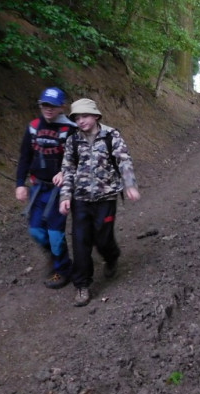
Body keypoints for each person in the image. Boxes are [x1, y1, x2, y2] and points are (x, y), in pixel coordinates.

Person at [59, 98, 140, 307]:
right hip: (80, 199)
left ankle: (111, 257)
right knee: (80, 241)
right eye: (77, 117)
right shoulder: (73, 141)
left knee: (103, 239)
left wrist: (130, 185)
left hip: (106, 197)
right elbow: (67, 170)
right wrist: (65, 197)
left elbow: (124, 161)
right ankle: (82, 285)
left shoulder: (111, 136)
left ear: (96, 116)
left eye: (85, 116)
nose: (81, 120)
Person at [15, 87, 76, 289]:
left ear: (61, 107)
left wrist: (66, 175)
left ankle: (63, 269)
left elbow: (78, 158)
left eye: (53, 105)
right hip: (38, 188)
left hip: (60, 190)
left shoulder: (70, 129)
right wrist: (20, 184)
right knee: (36, 231)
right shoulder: (33, 127)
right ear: (40, 105)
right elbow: (25, 157)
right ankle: (55, 256)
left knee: (55, 234)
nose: (48, 109)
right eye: (45, 105)